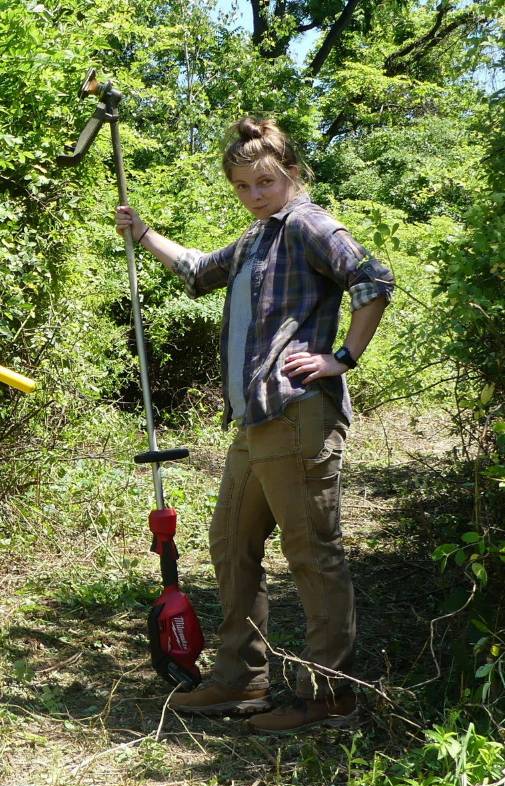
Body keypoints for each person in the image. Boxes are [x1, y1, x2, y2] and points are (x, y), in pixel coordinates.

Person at [115, 117, 394, 734]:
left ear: (292, 174)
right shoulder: (255, 239)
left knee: (311, 555)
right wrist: (145, 234)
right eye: (242, 184)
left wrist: (339, 357)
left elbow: (372, 281)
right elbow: (196, 270)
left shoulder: (307, 224)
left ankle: (332, 694)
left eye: (266, 181)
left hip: (298, 414)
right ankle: (241, 678)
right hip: (255, 421)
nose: (255, 193)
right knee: (229, 543)